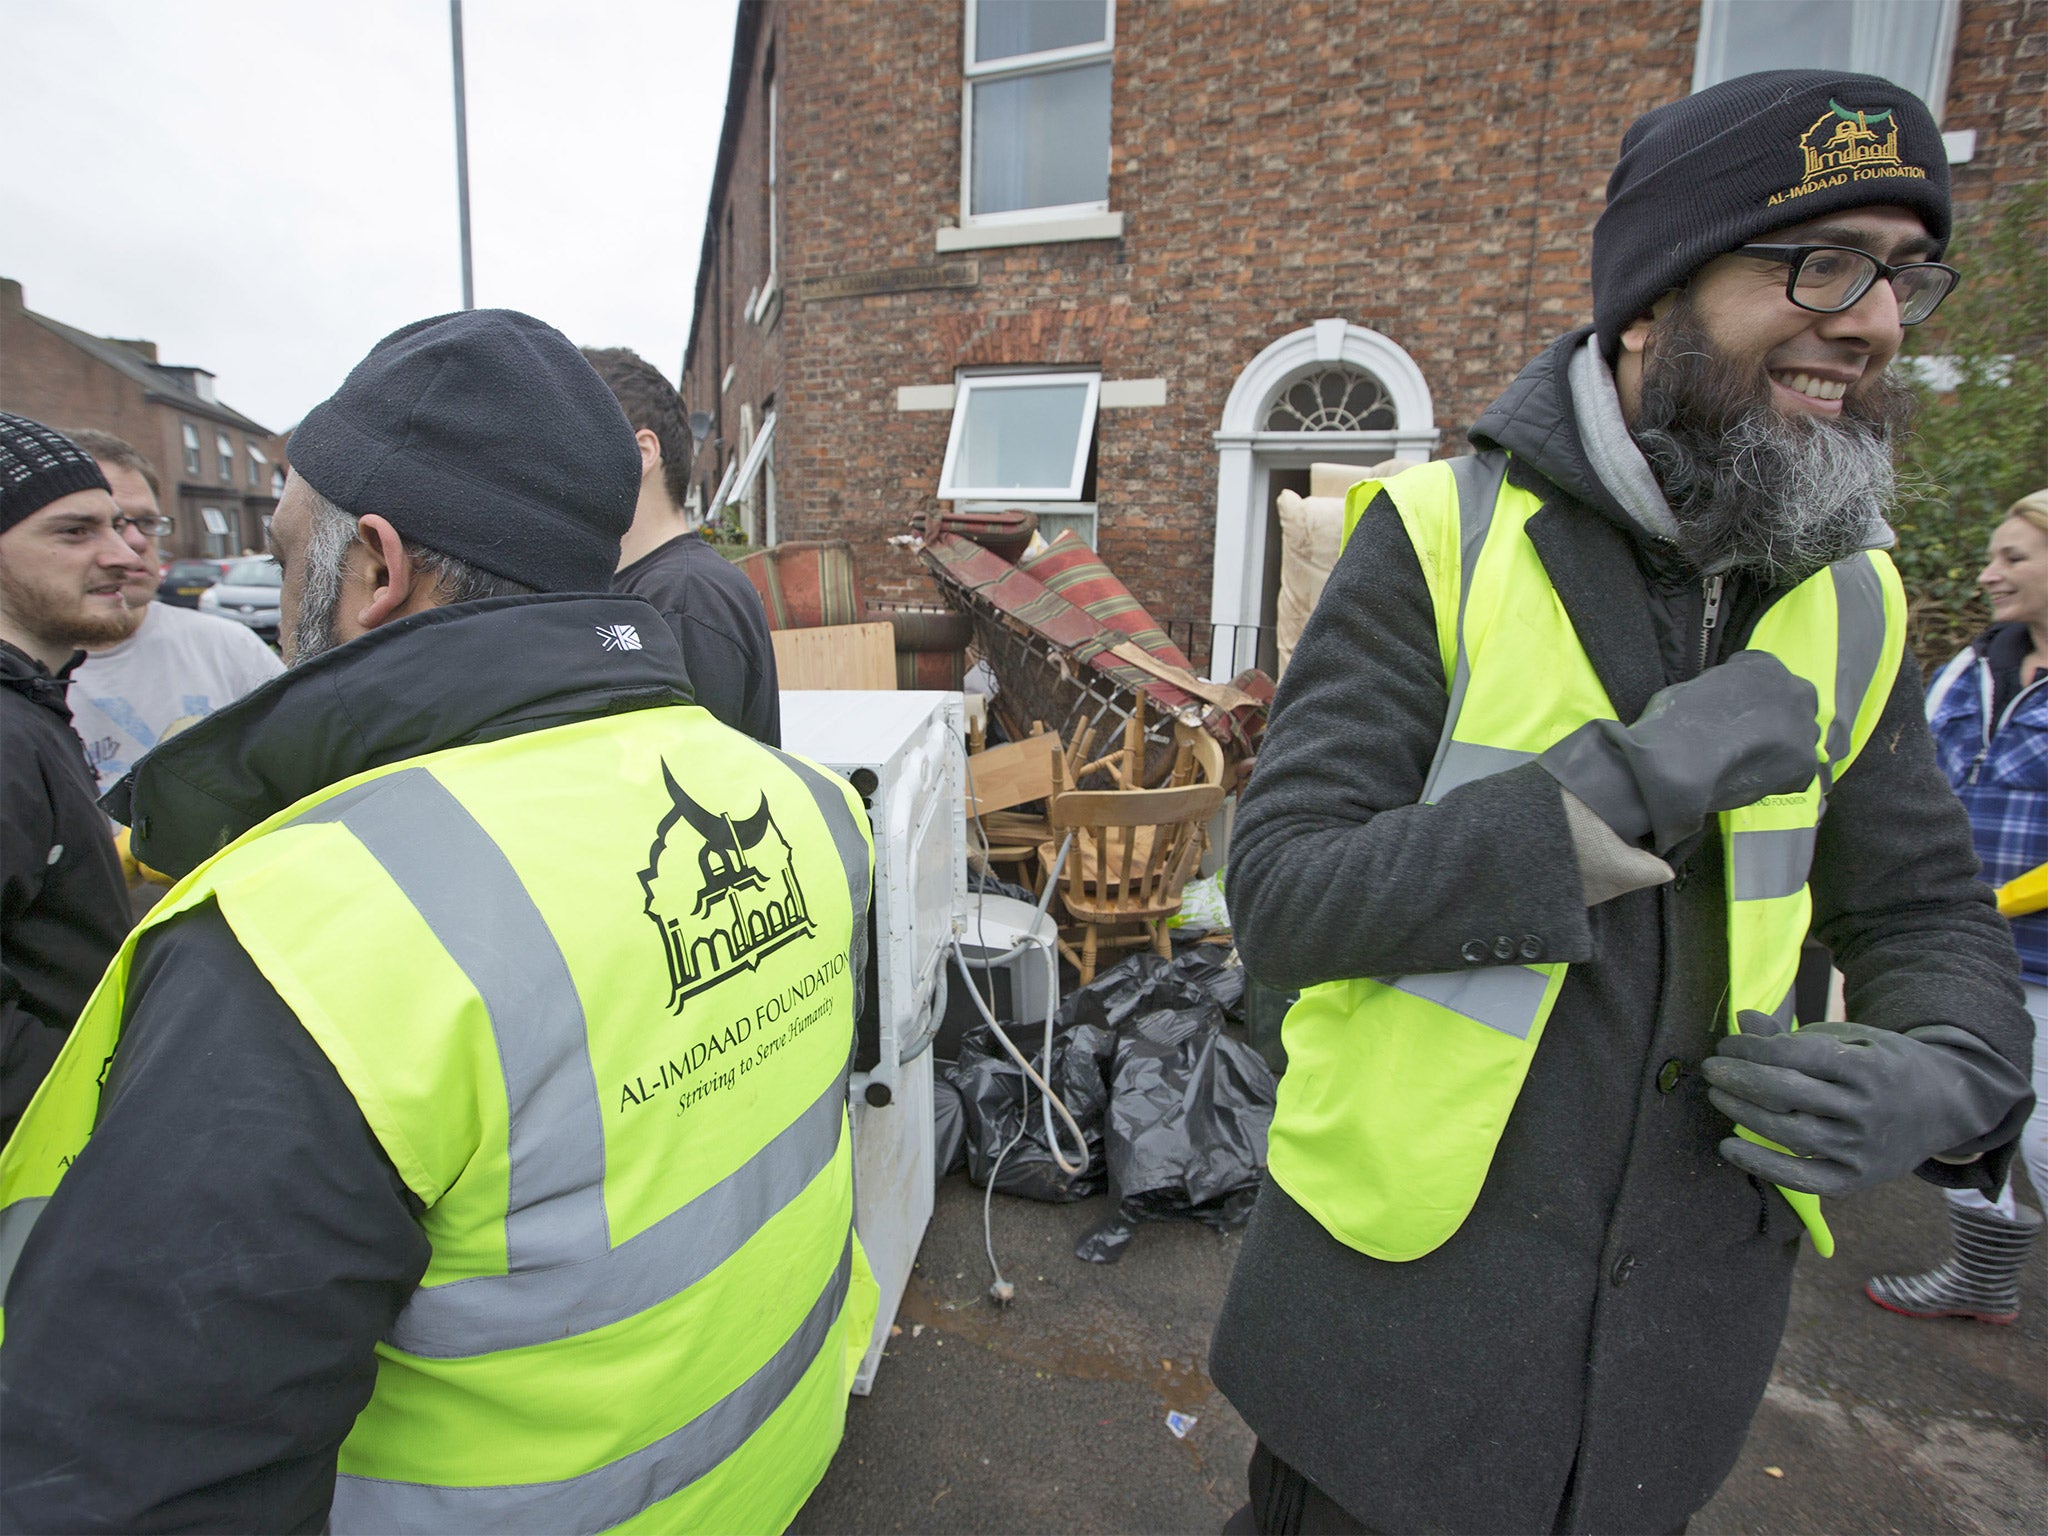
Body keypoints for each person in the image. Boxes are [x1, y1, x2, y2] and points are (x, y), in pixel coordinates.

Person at [1209, 72, 2036, 1536]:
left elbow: (1923, 914)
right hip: (1386, 1357)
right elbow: (1281, 896)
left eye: (1903, 276)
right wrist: (1617, 790)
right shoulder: (1437, 535)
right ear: (1653, 294)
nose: (1877, 322)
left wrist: (1954, 1074)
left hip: (1674, 1376)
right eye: (1820, 263)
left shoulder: (1854, 598)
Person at [0, 311, 876, 1533]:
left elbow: (133, 1481)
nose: (282, 580)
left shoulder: (310, 937)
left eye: (290, 544)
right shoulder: (809, 809)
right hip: (764, 1472)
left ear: (373, 566)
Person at [1864, 490, 2048, 1322]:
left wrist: (2012, 897)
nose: (1989, 574)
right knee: (1961, 1119)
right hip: (1973, 945)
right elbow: (1917, 784)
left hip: (2037, 948)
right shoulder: (1969, 671)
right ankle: (1982, 1277)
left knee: (2041, 1143)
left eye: (2014, 557)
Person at [0, 413, 142, 1147]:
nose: (125, 555)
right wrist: (111, 1119)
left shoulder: (31, 706)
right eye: (74, 531)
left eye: (119, 526)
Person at [63, 429, 282, 795]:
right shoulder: (25, 682)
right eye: (110, 524)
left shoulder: (226, 645)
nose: (133, 542)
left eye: (147, 523)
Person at [584, 345, 782, 744]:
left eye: (570, 439)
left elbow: (683, 792)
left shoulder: (686, 599)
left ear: (640, 455)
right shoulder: (655, 589)